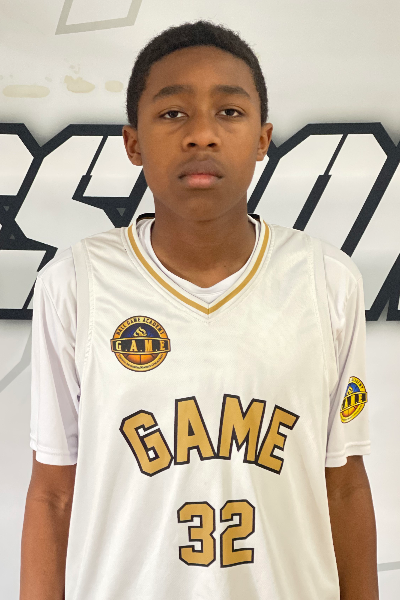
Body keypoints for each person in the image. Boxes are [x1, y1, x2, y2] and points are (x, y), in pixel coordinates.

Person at [20, 20, 379, 600]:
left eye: (229, 112)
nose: (202, 135)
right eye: (173, 113)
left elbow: (344, 486)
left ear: (263, 139)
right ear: (133, 143)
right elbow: (54, 494)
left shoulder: (327, 281)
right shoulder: (77, 283)